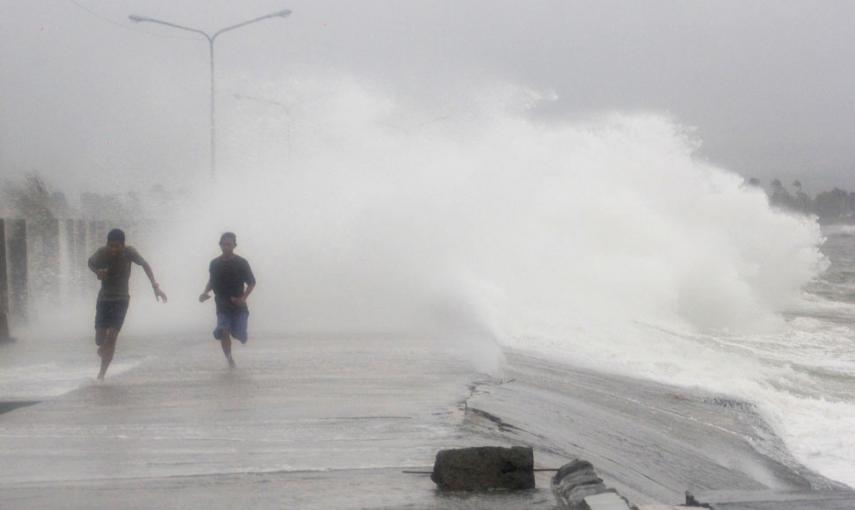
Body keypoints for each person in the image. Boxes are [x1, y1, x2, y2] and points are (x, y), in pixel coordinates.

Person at [88, 228, 167, 380]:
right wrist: (97, 272)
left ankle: (101, 374)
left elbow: (145, 265)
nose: (113, 249)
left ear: (123, 245)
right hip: (104, 299)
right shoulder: (102, 252)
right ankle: (103, 350)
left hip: (121, 299)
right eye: (111, 245)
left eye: (117, 246)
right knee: (100, 339)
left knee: (112, 337)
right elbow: (90, 263)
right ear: (107, 244)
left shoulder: (129, 252)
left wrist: (155, 287)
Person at [199, 232, 256, 368]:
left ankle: (239, 333)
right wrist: (204, 292)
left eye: (229, 245)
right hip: (222, 305)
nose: (225, 247)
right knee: (224, 331)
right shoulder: (214, 263)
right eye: (223, 244)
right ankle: (230, 361)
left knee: (239, 334)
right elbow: (212, 281)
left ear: (234, 246)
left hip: (238, 306)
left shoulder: (241, 263)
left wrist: (243, 298)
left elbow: (252, 282)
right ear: (220, 245)